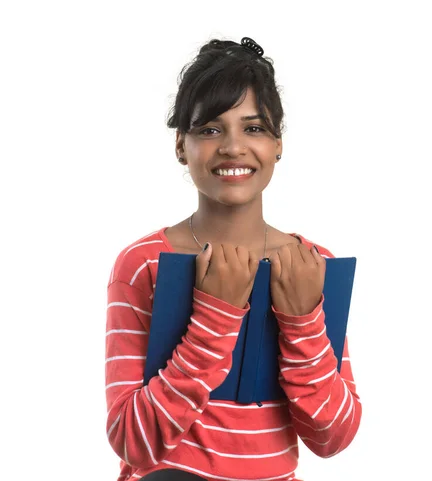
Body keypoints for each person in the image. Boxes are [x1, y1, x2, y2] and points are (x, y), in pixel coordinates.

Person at [105, 37, 362, 481]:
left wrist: (303, 322)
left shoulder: (311, 264)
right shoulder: (143, 263)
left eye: (254, 128)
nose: (232, 146)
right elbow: (133, 440)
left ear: (278, 144)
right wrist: (213, 319)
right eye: (209, 129)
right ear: (181, 146)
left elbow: (332, 439)